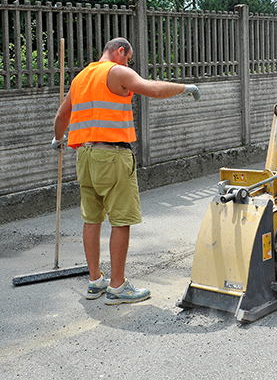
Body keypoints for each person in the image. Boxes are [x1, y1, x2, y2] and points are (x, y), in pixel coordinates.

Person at [52, 37, 201, 305]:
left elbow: (63, 116)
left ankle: (95, 282)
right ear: (120, 51)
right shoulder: (117, 71)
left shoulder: (81, 78)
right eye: (129, 58)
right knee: (121, 219)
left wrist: (57, 138)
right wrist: (184, 87)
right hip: (112, 155)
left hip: (83, 155)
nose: (129, 63)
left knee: (92, 218)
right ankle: (118, 288)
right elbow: (151, 89)